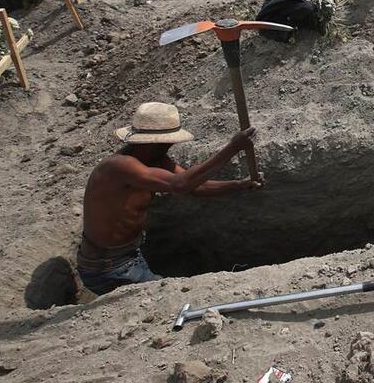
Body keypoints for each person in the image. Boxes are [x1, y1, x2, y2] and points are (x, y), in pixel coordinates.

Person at [77, 102, 262, 295]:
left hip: (130, 256)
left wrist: (240, 184)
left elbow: (195, 187)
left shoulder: (154, 160)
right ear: (152, 142)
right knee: (172, 298)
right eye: (166, 142)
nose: (170, 146)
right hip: (107, 268)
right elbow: (180, 185)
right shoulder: (119, 167)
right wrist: (232, 148)